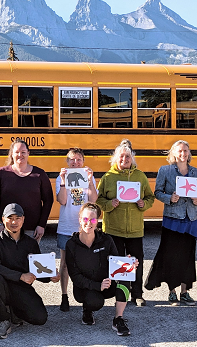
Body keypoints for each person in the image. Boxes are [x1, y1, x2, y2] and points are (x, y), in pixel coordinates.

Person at [0, 203, 60, 339]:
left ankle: (14, 312)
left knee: (40, 318)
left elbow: (38, 271)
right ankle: (3, 318)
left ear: (23, 219)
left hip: (22, 288)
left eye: (18, 218)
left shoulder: (30, 243)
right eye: (10, 218)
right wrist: (20, 276)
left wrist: (51, 276)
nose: (14, 222)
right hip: (2, 285)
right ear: (3, 219)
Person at [145, 140, 197, 306]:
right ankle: (172, 291)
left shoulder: (196, 172)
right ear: (173, 153)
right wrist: (169, 198)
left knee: (188, 256)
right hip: (172, 219)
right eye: (179, 151)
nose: (183, 154)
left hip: (191, 219)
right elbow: (157, 192)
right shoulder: (165, 171)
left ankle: (184, 292)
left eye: (186, 150)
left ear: (189, 153)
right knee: (171, 256)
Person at [96, 139, 154, 306]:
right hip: (114, 229)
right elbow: (98, 200)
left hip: (135, 229)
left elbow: (150, 197)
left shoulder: (140, 176)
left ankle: (137, 294)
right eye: (121, 156)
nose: (124, 159)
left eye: (127, 156)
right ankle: (122, 295)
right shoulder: (108, 177)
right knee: (119, 264)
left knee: (137, 262)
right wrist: (109, 204)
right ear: (115, 158)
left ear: (132, 158)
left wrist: (144, 204)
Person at [66, 202, 134, 336]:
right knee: (95, 302)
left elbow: (117, 262)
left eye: (92, 219)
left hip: (106, 284)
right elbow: (75, 276)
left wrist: (128, 263)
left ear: (97, 221)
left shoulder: (106, 240)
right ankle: (87, 309)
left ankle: (118, 319)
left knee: (126, 275)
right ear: (80, 219)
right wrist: (98, 286)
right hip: (85, 288)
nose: (88, 223)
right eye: (85, 219)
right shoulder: (71, 244)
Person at [55, 147, 98, 312]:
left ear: (83, 161)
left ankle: (86, 295)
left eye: (79, 159)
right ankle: (64, 296)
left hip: (84, 228)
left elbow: (94, 200)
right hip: (66, 226)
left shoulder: (88, 178)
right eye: (72, 159)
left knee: (86, 263)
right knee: (65, 264)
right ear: (67, 162)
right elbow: (62, 200)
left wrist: (90, 180)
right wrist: (64, 180)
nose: (75, 162)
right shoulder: (62, 178)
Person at [0, 139, 54, 242]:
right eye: (17, 152)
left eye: (23, 152)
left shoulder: (39, 174)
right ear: (12, 154)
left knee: (31, 257)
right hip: (7, 228)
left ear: (28, 153)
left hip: (32, 230)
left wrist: (42, 225)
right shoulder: (1, 173)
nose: (20, 155)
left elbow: (48, 200)